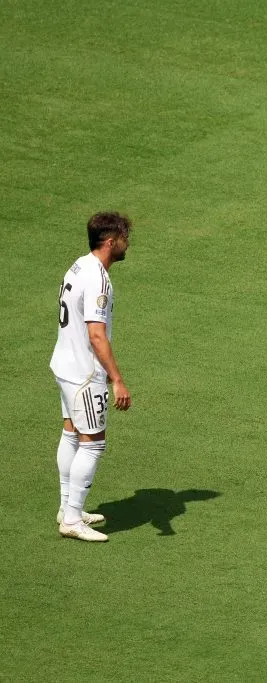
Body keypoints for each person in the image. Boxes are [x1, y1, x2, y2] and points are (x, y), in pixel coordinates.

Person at [50, 212, 134, 542]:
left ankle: (66, 507)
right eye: (125, 238)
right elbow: (96, 334)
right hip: (85, 373)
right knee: (93, 443)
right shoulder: (98, 278)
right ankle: (71, 519)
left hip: (64, 364)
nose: (128, 244)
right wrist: (116, 379)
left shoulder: (79, 265)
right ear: (111, 242)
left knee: (71, 432)